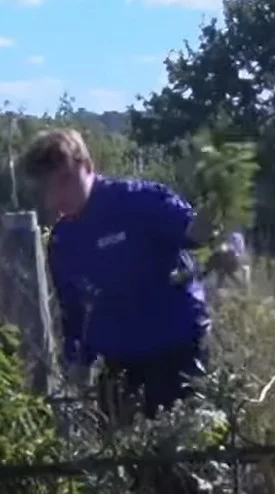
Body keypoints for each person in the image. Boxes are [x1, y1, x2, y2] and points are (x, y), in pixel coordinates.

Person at [20, 129, 213, 424]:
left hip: (176, 347)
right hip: (119, 359)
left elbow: (193, 232)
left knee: (184, 441)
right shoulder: (63, 240)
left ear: (87, 166)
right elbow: (73, 310)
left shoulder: (138, 200)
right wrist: (78, 362)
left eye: (65, 180)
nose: (58, 195)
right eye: (49, 187)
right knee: (120, 444)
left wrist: (217, 216)